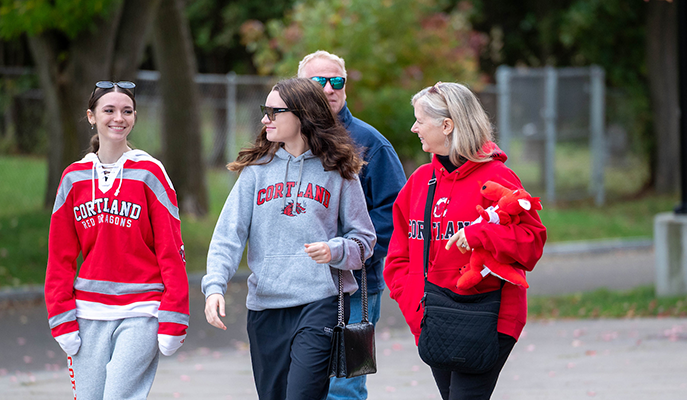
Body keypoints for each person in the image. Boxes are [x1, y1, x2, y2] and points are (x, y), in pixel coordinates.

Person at [202, 77, 377, 400]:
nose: (265, 119)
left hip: (319, 303)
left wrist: (335, 250)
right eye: (264, 110)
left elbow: (364, 241)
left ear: (303, 115)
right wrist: (215, 286)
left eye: (274, 111)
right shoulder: (256, 170)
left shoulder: (339, 171)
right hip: (266, 305)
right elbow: (229, 235)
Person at [384, 82, 546, 400]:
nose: (413, 127)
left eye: (420, 120)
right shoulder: (418, 182)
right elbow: (398, 257)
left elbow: (531, 244)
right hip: (433, 318)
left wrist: (479, 233)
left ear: (446, 125)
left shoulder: (497, 178)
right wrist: (414, 303)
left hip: (489, 318)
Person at [45, 81, 189, 399]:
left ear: (134, 116)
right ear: (91, 116)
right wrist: (61, 316)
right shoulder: (73, 178)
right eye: (108, 110)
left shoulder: (150, 173)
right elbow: (60, 257)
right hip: (88, 313)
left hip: (142, 309)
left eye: (126, 111)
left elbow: (171, 249)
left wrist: (174, 314)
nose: (118, 118)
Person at [297, 50, 407, 400]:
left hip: (355, 286)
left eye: (337, 81)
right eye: (320, 81)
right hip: (297, 285)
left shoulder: (370, 143)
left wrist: (356, 257)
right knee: (299, 381)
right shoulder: (286, 141)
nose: (330, 88)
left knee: (344, 385)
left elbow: (394, 211)